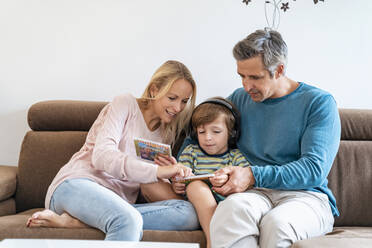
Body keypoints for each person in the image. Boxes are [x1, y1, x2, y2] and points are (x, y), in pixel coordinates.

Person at [180, 29, 341, 248]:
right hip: (253, 195)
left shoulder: (318, 103)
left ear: (279, 70)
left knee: (277, 224)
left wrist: (252, 174)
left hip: (305, 196)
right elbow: (197, 131)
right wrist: (182, 168)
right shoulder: (240, 99)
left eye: (255, 77)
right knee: (230, 211)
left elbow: (313, 170)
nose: (247, 86)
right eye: (242, 76)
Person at [26, 60, 200, 241]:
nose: (178, 108)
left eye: (184, 101)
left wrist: (171, 179)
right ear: (154, 90)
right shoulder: (125, 104)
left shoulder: (166, 132)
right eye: (172, 98)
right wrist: (157, 171)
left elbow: (146, 184)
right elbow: (102, 156)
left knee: (189, 214)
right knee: (128, 220)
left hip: (117, 204)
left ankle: (84, 222)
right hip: (77, 185)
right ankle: (108, 219)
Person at [173, 97, 251, 248]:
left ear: (231, 134)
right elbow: (178, 177)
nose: (208, 138)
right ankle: (213, 240)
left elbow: (245, 182)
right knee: (196, 186)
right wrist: (177, 183)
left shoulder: (235, 156)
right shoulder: (191, 152)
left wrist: (228, 180)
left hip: (224, 204)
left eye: (216, 131)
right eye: (201, 132)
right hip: (194, 202)